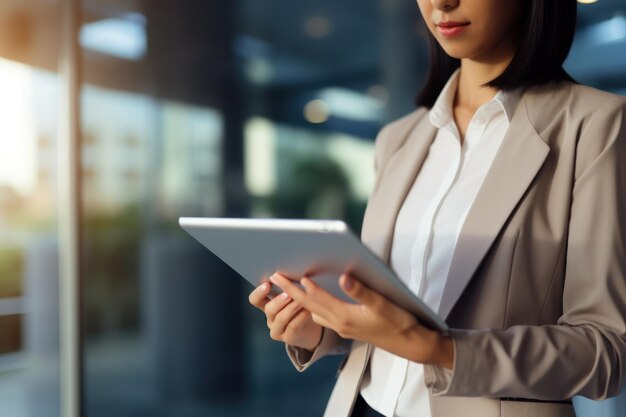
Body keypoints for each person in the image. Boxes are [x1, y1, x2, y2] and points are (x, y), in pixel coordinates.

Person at [248, 0, 626, 416]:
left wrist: (438, 349)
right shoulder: (398, 139)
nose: (441, 3)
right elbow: (384, 317)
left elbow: (605, 352)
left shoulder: (597, 126)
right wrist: (316, 329)